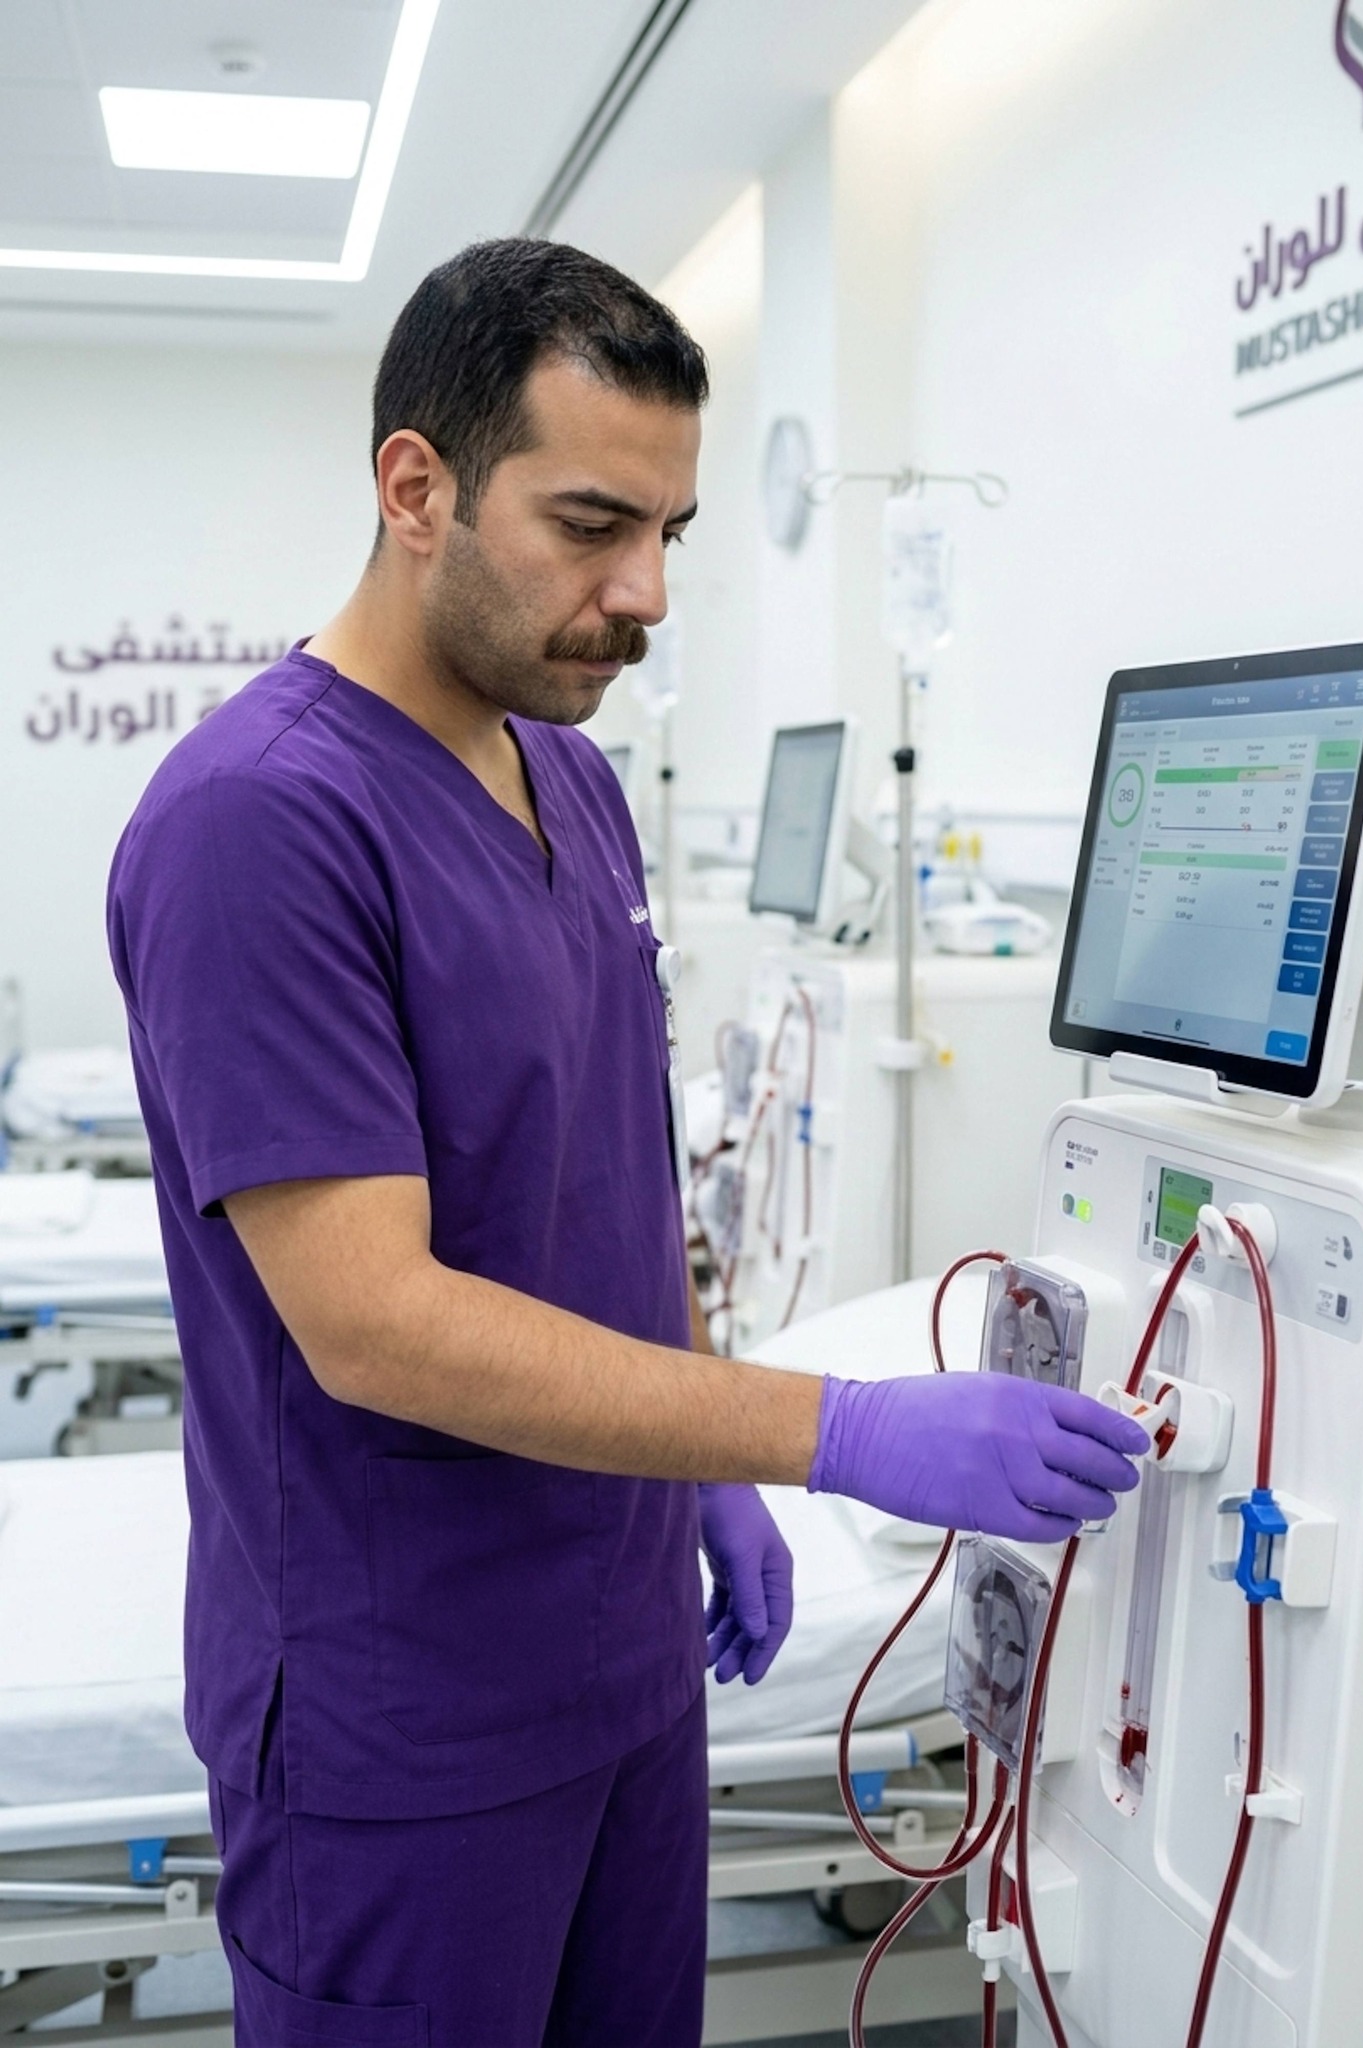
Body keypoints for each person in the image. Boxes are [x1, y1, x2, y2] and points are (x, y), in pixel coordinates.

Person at [107, 238, 1147, 2048]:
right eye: (591, 524)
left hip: (623, 1674)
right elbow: (377, 1326)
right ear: (414, 487)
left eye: (667, 531)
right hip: (401, 1725)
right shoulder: (259, 825)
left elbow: (601, 1173)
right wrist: (836, 1432)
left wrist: (695, 1465)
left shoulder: (568, 777)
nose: (644, 589)